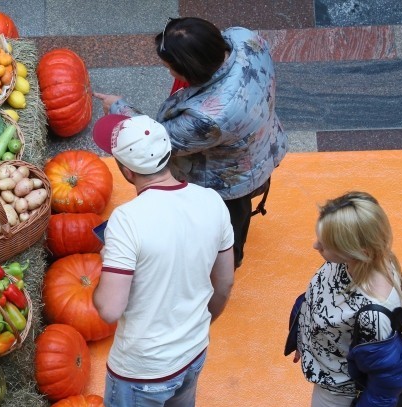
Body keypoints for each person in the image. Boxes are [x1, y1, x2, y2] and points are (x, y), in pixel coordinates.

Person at [91, 114, 235, 407]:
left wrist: (103, 272)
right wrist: (203, 323)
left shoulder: (127, 221)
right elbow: (224, 284)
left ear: (125, 171)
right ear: (168, 152)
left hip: (141, 369)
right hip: (193, 350)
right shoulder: (212, 201)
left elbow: (109, 309)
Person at [94, 17, 287, 268]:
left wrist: (119, 108)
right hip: (262, 144)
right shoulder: (245, 38)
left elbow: (159, 139)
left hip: (229, 181)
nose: (168, 72)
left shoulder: (211, 116)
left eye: (169, 68)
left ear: (191, 71)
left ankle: (226, 262)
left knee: (228, 226)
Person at [294, 191, 402, 407]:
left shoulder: (374, 314)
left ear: (357, 250)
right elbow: (319, 300)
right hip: (328, 369)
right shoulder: (365, 261)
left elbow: (384, 387)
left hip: (337, 394)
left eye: (326, 245)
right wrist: (302, 338)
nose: (315, 246)